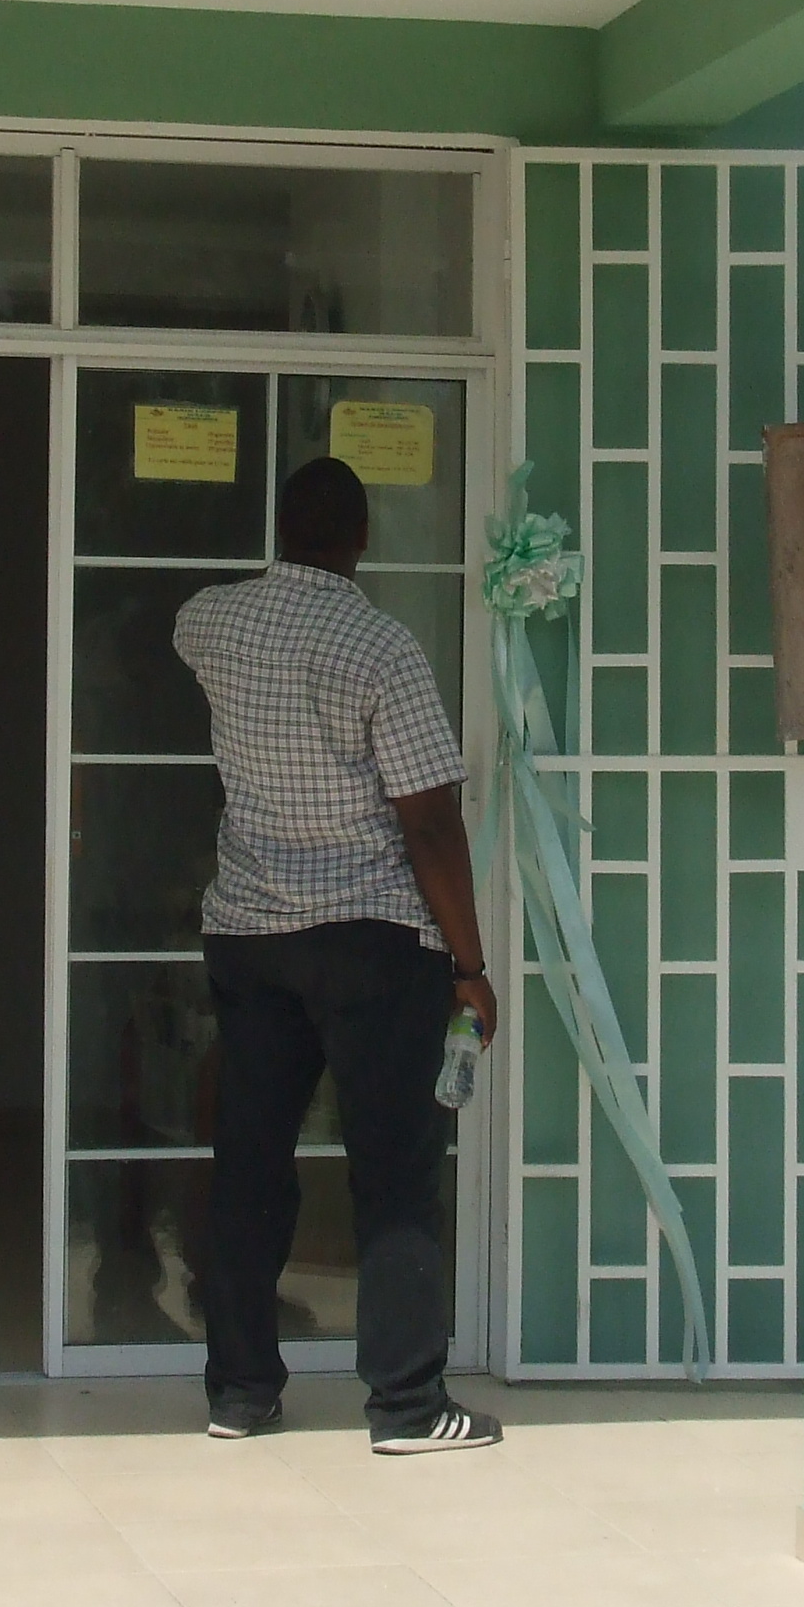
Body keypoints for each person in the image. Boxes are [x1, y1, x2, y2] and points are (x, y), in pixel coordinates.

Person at [171, 456, 504, 1454]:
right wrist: (470, 964)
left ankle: (239, 1391)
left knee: (249, 1164)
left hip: (248, 933)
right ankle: (405, 1406)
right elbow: (430, 822)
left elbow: (186, 639)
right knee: (393, 1171)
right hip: (368, 940)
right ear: (360, 538)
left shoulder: (208, 623)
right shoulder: (381, 648)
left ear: (278, 530)